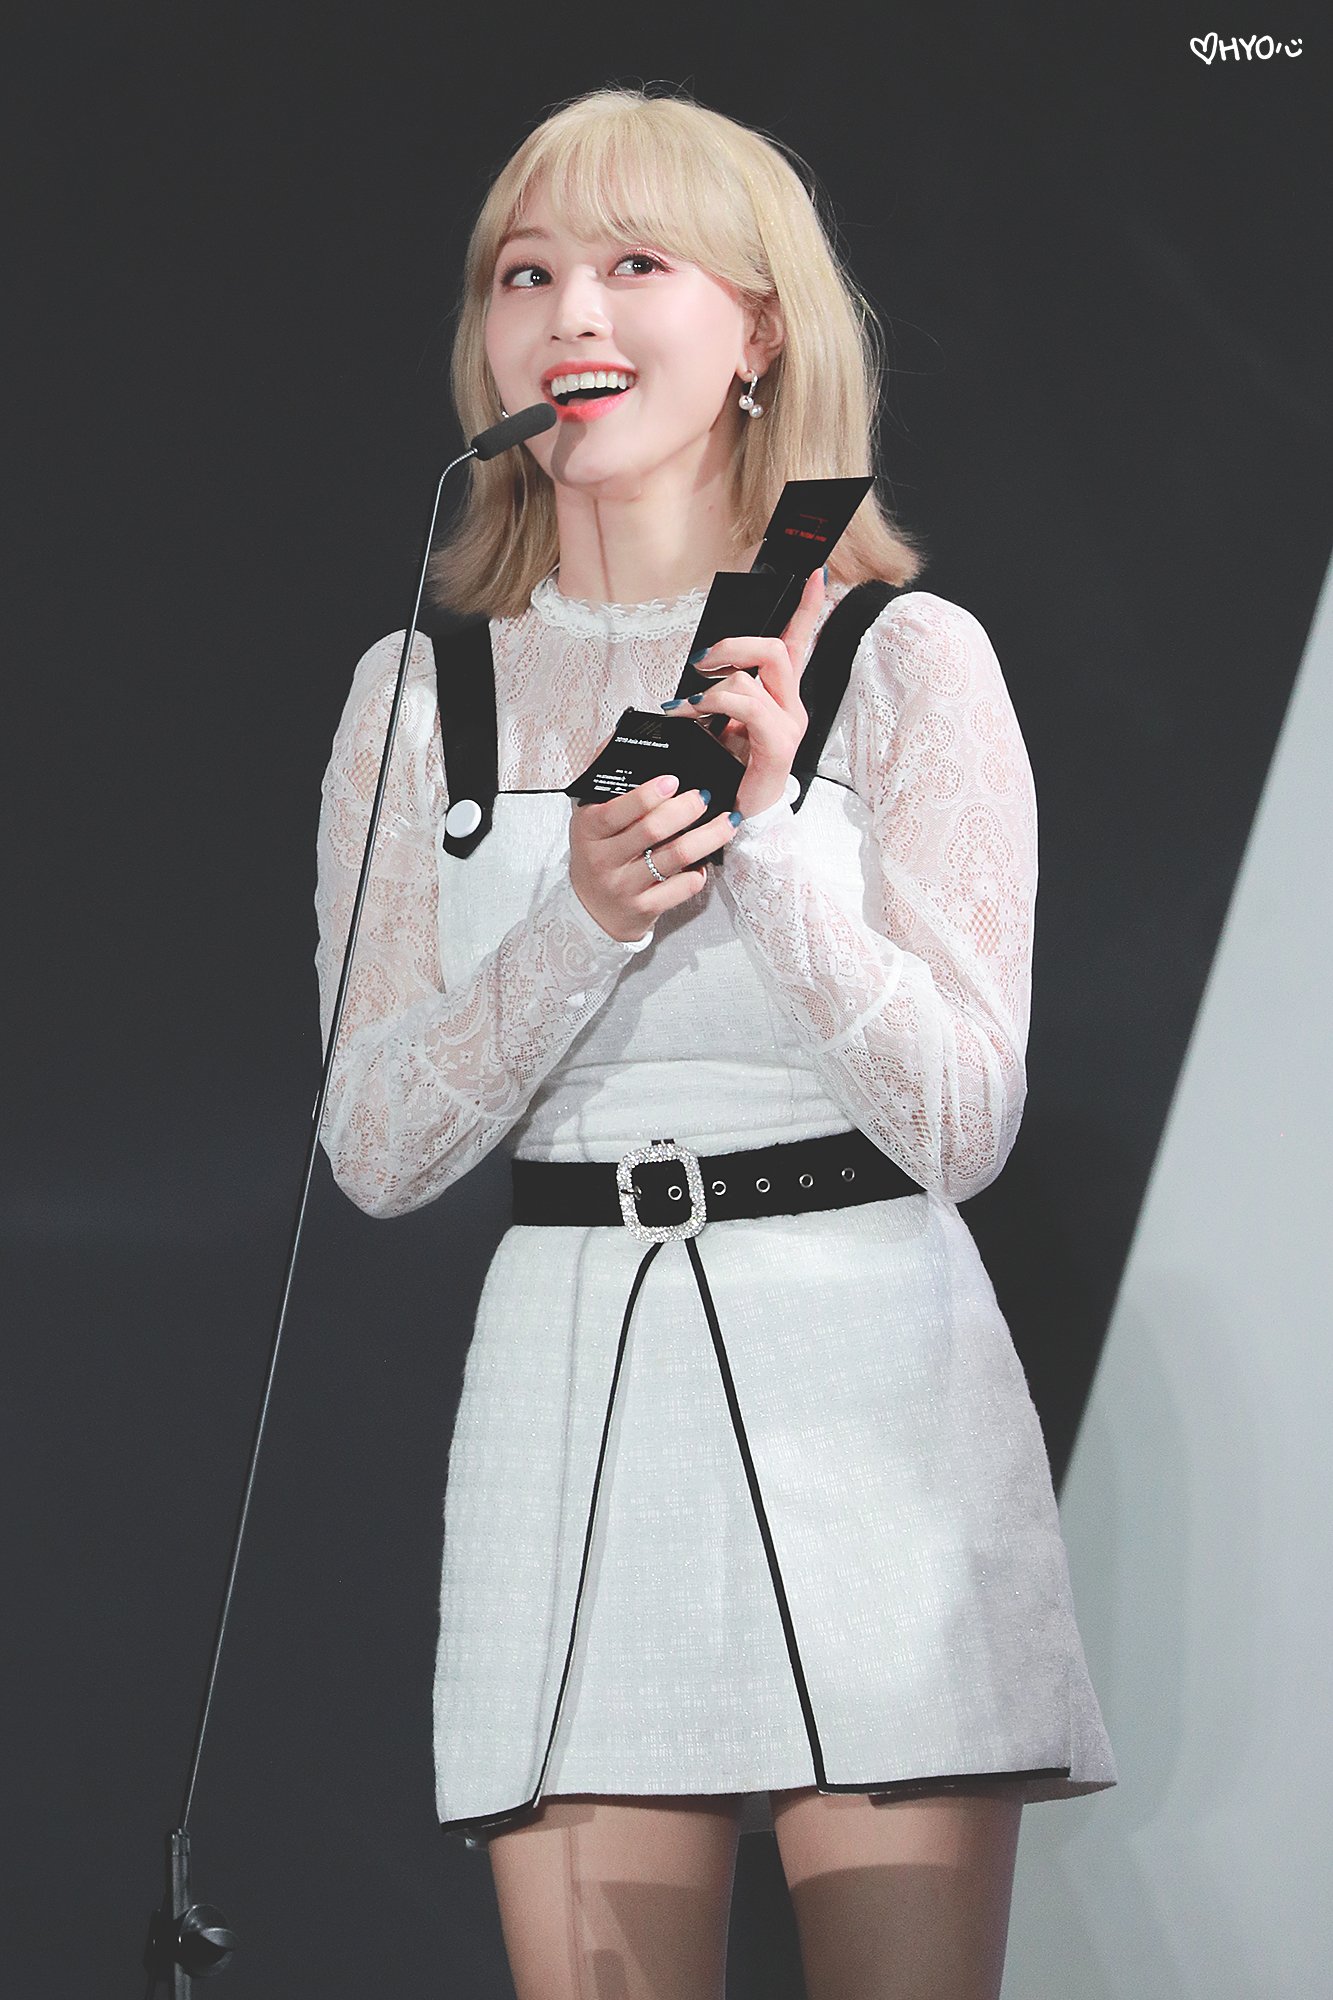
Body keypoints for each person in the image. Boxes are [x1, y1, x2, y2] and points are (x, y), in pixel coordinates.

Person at [314, 85, 1116, 2000]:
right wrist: (581, 920)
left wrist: (766, 847)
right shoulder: (415, 695)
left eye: (633, 263)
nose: (569, 314)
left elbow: (961, 1121)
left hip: (867, 1378)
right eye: (524, 273)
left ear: (756, 328)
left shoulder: (904, 659)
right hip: (569, 1386)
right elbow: (377, 1148)